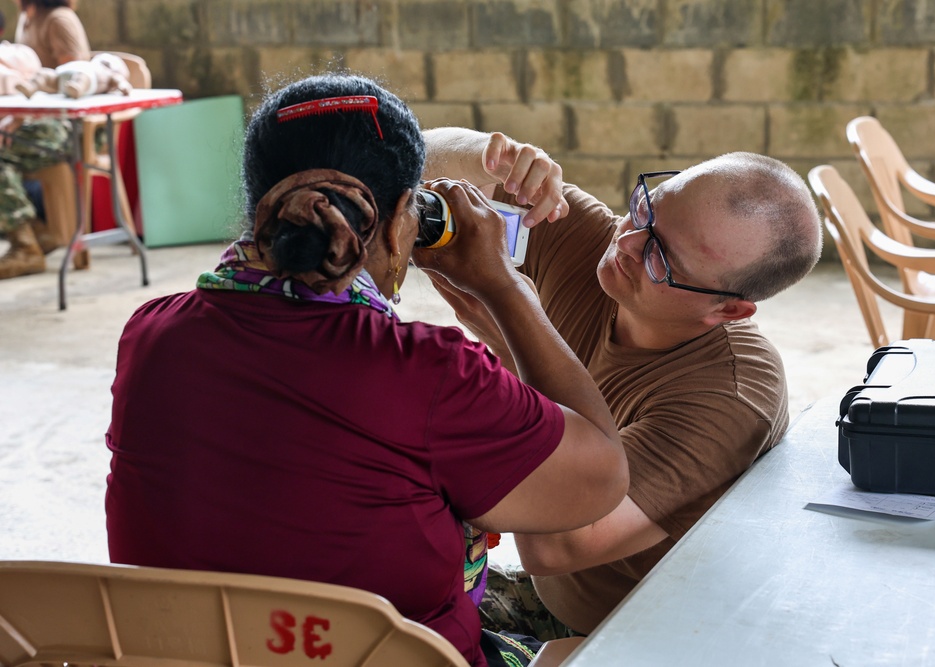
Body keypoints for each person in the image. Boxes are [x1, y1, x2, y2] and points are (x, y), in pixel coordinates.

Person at [104, 74, 628, 667]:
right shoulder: (430, 372)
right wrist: (505, 288)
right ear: (410, 216)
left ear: (258, 206)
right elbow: (602, 478)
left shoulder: (150, 333)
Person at [419, 128, 823, 638]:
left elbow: (554, 546)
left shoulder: (730, 396)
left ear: (728, 310)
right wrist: (492, 158)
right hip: (555, 602)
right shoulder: (599, 242)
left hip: (630, 639)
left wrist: (510, 322)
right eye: (647, 208)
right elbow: (411, 159)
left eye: (663, 258)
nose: (627, 242)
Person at [0, 0, 89, 279]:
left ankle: (26, 246)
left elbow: (76, 80)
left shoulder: (59, 19)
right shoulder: (28, 17)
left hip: (62, 127)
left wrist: (22, 115)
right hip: (27, 119)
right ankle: (37, 234)